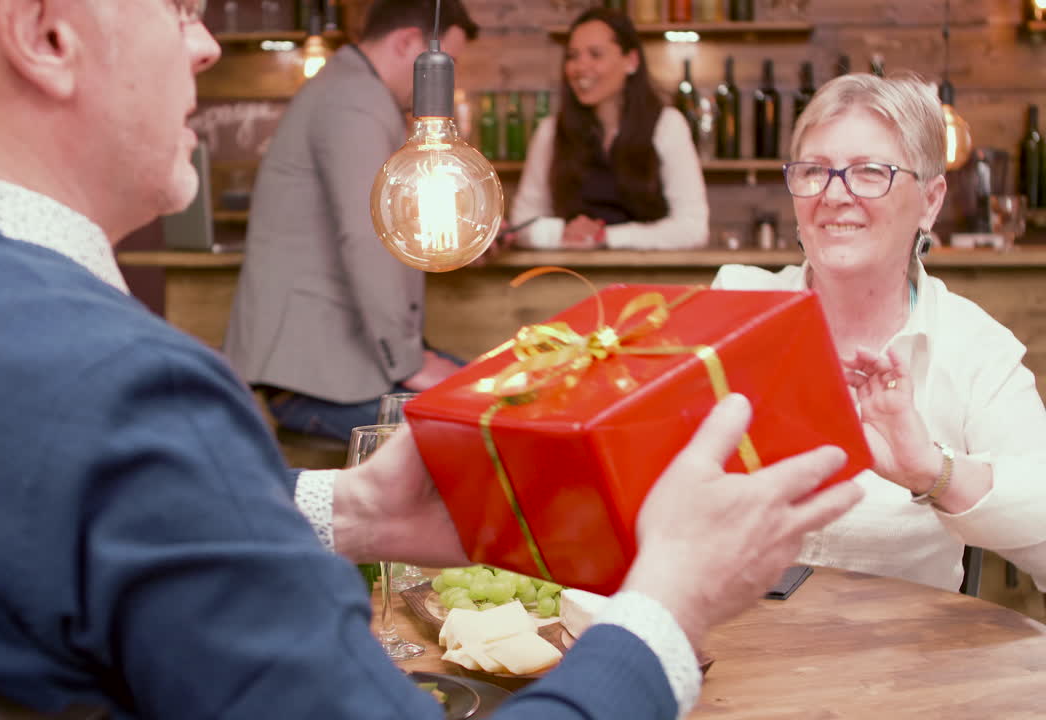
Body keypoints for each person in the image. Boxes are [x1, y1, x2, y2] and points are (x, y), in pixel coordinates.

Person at [0, 1, 863, 719]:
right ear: (46, 33)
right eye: (179, 10)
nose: (202, 46)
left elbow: (13, 509)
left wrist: (342, 514)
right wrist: (669, 607)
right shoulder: (132, 392)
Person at [714, 73, 1046, 593]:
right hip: (723, 654)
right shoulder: (735, 305)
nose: (835, 195)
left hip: (899, 667)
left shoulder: (974, 348)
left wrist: (931, 471)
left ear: (930, 202)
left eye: (871, 172)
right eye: (814, 171)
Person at [222, 0, 475, 442]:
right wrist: (410, 362)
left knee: (486, 397)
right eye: (445, 64)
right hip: (315, 380)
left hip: (334, 369)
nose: (445, 81)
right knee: (477, 428)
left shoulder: (354, 90)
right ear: (408, 44)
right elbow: (368, 236)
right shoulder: (356, 101)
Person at [509, 8, 708, 251]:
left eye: (595, 55)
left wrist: (606, 237)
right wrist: (562, 233)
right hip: (567, 282)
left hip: (648, 281)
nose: (580, 67)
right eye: (573, 56)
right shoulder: (550, 132)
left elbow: (693, 228)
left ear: (631, 61)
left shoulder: (667, 125)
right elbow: (521, 224)